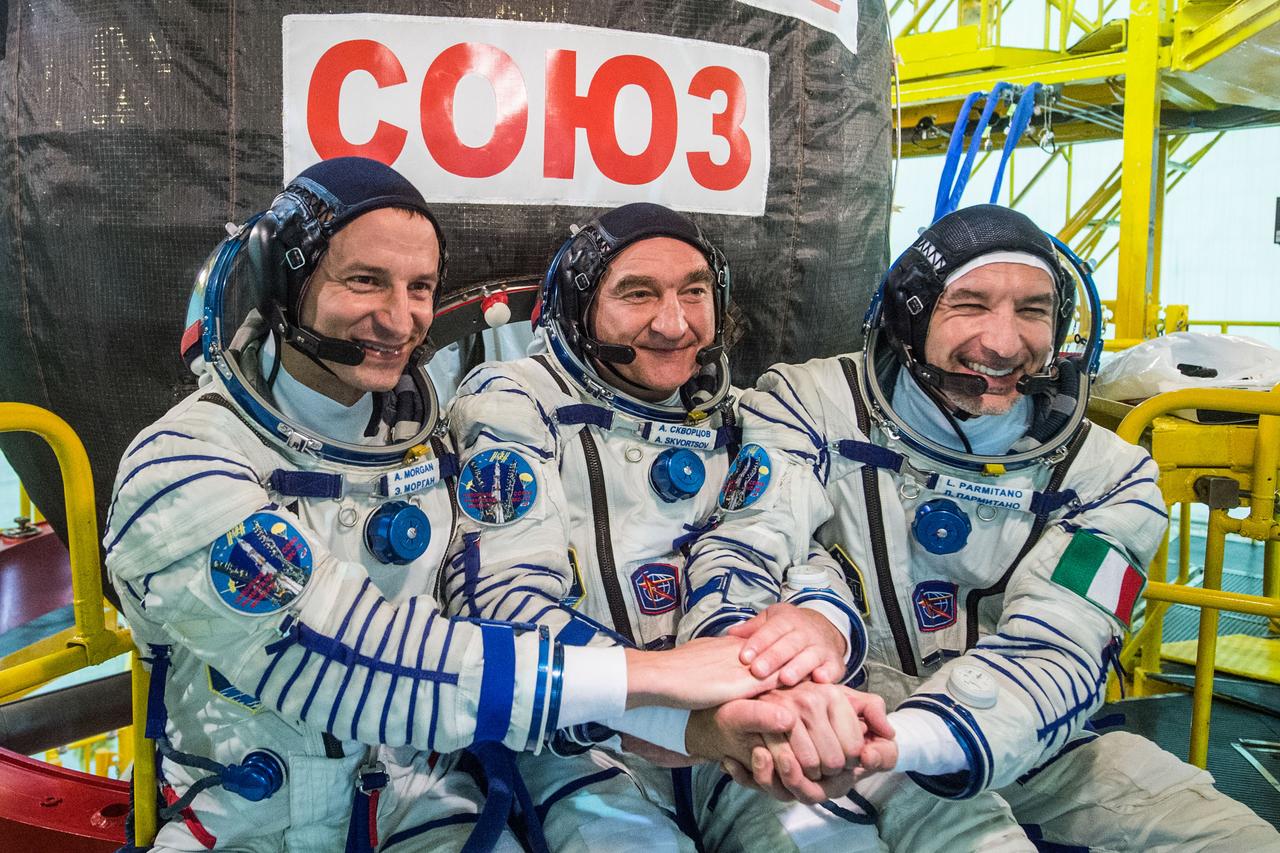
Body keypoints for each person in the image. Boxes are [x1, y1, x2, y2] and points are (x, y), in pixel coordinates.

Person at [103, 159, 794, 853]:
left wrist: (699, 728)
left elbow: (492, 610)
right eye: (365, 280)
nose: (399, 318)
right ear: (284, 282)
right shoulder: (178, 464)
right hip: (242, 827)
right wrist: (648, 673)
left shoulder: (436, 455)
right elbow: (335, 654)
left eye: (421, 288)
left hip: (424, 806)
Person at [687, 203, 1280, 850]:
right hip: (817, 712)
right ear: (910, 314)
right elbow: (754, 547)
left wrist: (918, 735)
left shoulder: (1109, 474)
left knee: (1231, 836)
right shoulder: (811, 404)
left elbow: (1063, 643)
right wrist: (753, 695)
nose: (1003, 342)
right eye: (970, 304)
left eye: (1032, 310)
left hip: (1024, 730)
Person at [443, 202, 896, 852]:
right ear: (579, 308)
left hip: (738, 718)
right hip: (581, 743)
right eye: (638, 294)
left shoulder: (744, 416)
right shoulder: (513, 404)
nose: (675, 322)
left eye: (694, 292)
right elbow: (499, 606)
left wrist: (819, 620)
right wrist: (682, 702)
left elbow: (804, 547)